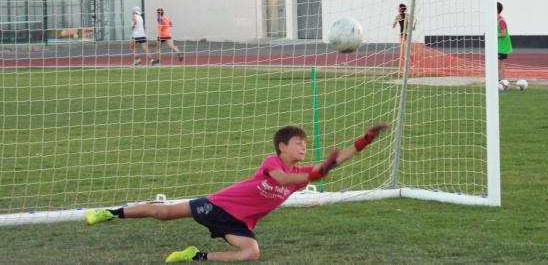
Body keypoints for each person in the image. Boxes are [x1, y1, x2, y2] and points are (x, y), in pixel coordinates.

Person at [84, 123, 389, 263]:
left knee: (252, 253)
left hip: (239, 225)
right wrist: (317, 171)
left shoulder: (300, 176)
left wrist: (365, 140)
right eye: (298, 142)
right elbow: (280, 178)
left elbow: (336, 160)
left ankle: (196, 256)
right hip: (218, 206)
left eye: (305, 144)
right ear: (282, 146)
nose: (303, 147)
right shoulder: (274, 163)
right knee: (163, 213)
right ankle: (109, 213)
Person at [497, 1, 512, 82]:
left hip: (502, 47)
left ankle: (502, 81)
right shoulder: (496, 20)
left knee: (499, 64)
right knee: (499, 64)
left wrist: (492, 35)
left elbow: (504, 33)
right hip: (499, 47)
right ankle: (501, 81)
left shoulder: (501, 21)